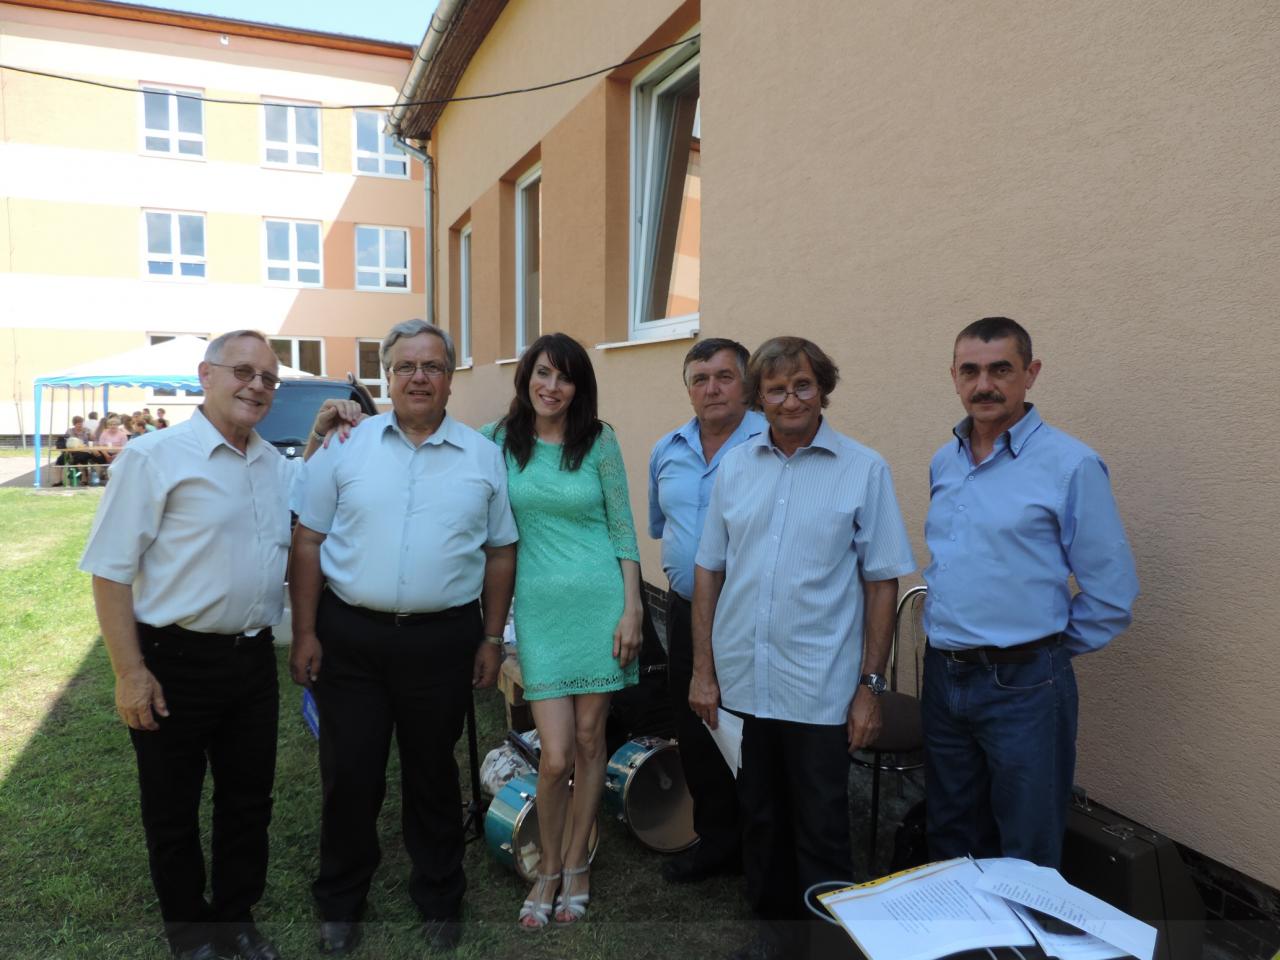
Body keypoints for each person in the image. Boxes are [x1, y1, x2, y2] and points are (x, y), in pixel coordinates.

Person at [79, 329, 358, 960]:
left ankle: (236, 921)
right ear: (206, 375)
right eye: (243, 372)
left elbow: (305, 490)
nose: (257, 386)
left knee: (247, 803)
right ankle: (190, 935)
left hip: (251, 662)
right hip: (173, 661)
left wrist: (318, 433)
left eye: (268, 378)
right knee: (172, 809)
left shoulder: (272, 463)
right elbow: (110, 572)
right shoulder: (153, 457)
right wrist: (129, 672)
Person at [290, 319, 517, 956]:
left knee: (432, 772)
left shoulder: (482, 455)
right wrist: (304, 631)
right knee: (350, 773)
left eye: (433, 366)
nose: (420, 377)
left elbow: (501, 551)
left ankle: (440, 893)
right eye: (407, 366)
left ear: (450, 379)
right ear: (386, 377)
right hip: (351, 637)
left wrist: (491, 639)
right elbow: (307, 540)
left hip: (441, 641)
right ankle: (341, 898)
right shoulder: (345, 445)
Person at [690, 336, 916, 960]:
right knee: (761, 820)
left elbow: (882, 581)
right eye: (776, 389)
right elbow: (708, 569)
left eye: (803, 386)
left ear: (823, 391)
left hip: (820, 687)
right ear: (757, 399)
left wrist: (870, 688)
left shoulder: (863, 469)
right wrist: (703, 670)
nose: (790, 400)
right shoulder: (735, 467)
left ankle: (829, 948)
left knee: (821, 828)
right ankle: (775, 939)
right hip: (745, 683)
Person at [922, 317, 1138, 868]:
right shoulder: (946, 462)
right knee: (950, 833)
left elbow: (1111, 594)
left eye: (1001, 369)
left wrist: (1044, 652)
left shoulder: (1071, 465)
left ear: (1030, 373)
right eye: (970, 371)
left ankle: (1024, 930)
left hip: (1024, 685)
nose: (984, 385)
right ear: (953, 376)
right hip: (944, 675)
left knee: (1027, 847)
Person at [480, 332, 643, 929]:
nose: (552, 387)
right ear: (526, 377)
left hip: (601, 606)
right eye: (543, 373)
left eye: (565, 377)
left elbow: (623, 529)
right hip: (541, 615)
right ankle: (547, 867)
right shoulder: (497, 441)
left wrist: (633, 608)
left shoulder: (600, 441)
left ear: (580, 387)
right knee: (554, 757)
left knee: (591, 740)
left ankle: (576, 864)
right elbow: (437, 452)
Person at [647, 338, 765, 883]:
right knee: (696, 728)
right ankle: (715, 844)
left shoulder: (769, 444)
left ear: (747, 385)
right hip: (686, 610)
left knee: (753, 733)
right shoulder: (666, 450)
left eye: (724, 377)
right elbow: (661, 525)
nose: (711, 388)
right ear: (689, 390)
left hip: (748, 615)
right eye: (700, 379)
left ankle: (759, 846)